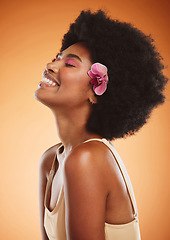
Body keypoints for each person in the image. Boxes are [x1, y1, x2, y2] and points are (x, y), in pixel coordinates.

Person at [34, 10, 168, 240]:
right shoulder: (51, 161)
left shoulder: (88, 158)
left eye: (70, 64)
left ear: (96, 92)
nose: (51, 65)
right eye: (57, 57)